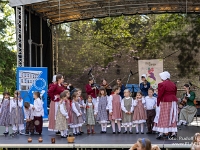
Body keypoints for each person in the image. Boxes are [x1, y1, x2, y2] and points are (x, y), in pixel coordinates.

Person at [153, 71, 178, 140]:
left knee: (164, 116)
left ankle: (161, 133)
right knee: (172, 116)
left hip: (165, 101)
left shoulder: (161, 84)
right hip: (173, 101)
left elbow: (160, 94)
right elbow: (175, 93)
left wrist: (158, 103)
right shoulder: (173, 84)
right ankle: (173, 133)